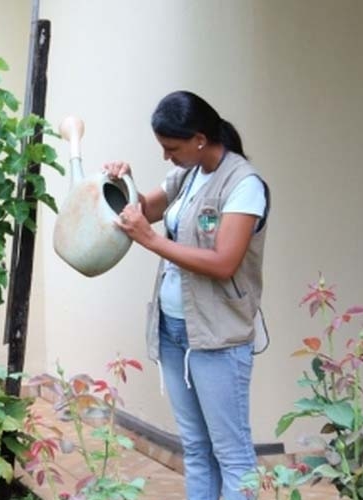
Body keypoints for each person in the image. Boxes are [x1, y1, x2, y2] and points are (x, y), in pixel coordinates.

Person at [104, 90, 270, 500]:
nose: (166, 157)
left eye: (170, 148)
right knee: (196, 449)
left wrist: (150, 241)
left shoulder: (244, 185)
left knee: (231, 455)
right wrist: (122, 182)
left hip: (218, 338)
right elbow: (145, 209)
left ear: (199, 139)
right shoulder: (189, 173)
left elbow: (223, 262)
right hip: (174, 331)